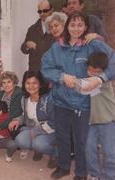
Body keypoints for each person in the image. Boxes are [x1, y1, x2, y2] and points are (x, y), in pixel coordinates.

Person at [41, 11, 115, 180]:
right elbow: (46, 68)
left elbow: (113, 61)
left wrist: (99, 78)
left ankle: (81, 173)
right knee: (62, 136)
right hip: (61, 100)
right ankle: (63, 166)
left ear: (86, 27)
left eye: (80, 25)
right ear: (67, 26)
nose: (76, 28)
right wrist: (61, 77)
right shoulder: (57, 46)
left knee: (82, 141)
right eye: (72, 25)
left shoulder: (92, 44)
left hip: (83, 103)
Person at [9, 70, 57, 168]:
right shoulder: (25, 99)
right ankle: (38, 149)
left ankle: (56, 154)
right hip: (33, 129)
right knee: (20, 140)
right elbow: (25, 116)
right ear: (24, 84)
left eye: (34, 83)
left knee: (39, 144)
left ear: (40, 84)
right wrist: (17, 120)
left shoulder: (48, 99)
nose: (31, 86)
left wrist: (37, 131)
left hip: (51, 131)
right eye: (28, 83)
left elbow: (56, 122)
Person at [82, 52, 115, 180]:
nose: (92, 74)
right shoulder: (90, 81)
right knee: (89, 149)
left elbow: (82, 87)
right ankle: (95, 175)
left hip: (108, 120)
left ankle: (110, 176)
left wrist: (67, 79)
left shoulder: (103, 82)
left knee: (110, 152)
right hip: (93, 122)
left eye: (97, 72)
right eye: (90, 70)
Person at [21, 0, 54, 71]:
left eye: (45, 11)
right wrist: (27, 45)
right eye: (39, 11)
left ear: (51, 10)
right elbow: (23, 49)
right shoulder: (32, 29)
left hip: (52, 71)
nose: (42, 13)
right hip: (35, 71)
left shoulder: (57, 28)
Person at [0, 71, 23, 137]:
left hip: (14, 118)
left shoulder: (18, 93)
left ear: (14, 83)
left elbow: (14, 113)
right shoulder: (1, 94)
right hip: (2, 118)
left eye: (9, 82)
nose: (6, 85)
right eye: (4, 83)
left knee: (13, 129)